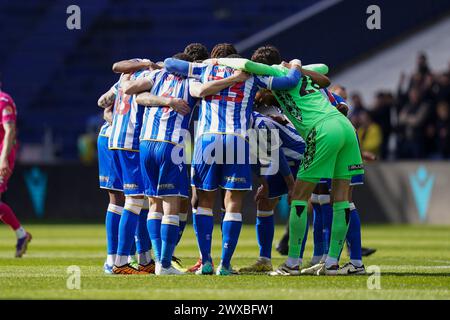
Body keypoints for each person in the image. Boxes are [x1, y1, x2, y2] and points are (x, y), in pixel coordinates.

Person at [218, 45, 364, 275]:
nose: (259, 98)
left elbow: (245, 65)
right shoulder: (296, 73)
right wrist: (297, 65)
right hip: (346, 128)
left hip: (322, 129)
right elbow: (324, 75)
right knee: (341, 200)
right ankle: (339, 264)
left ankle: (292, 263)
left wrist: (215, 62)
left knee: (298, 196)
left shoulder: (274, 75)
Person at [164, 49, 302, 275]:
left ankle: (206, 261)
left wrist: (213, 62)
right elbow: (289, 81)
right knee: (232, 203)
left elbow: (170, 64)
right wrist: (295, 62)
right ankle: (225, 265)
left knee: (204, 202)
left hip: (207, 137)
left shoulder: (205, 68)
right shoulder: (250, 73)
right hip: (237, 138)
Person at [0, 88, 32, 257]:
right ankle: (21, 235)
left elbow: (10, 131)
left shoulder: (3, 101)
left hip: (2, 155)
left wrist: (3, 159)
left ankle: (21, 235)